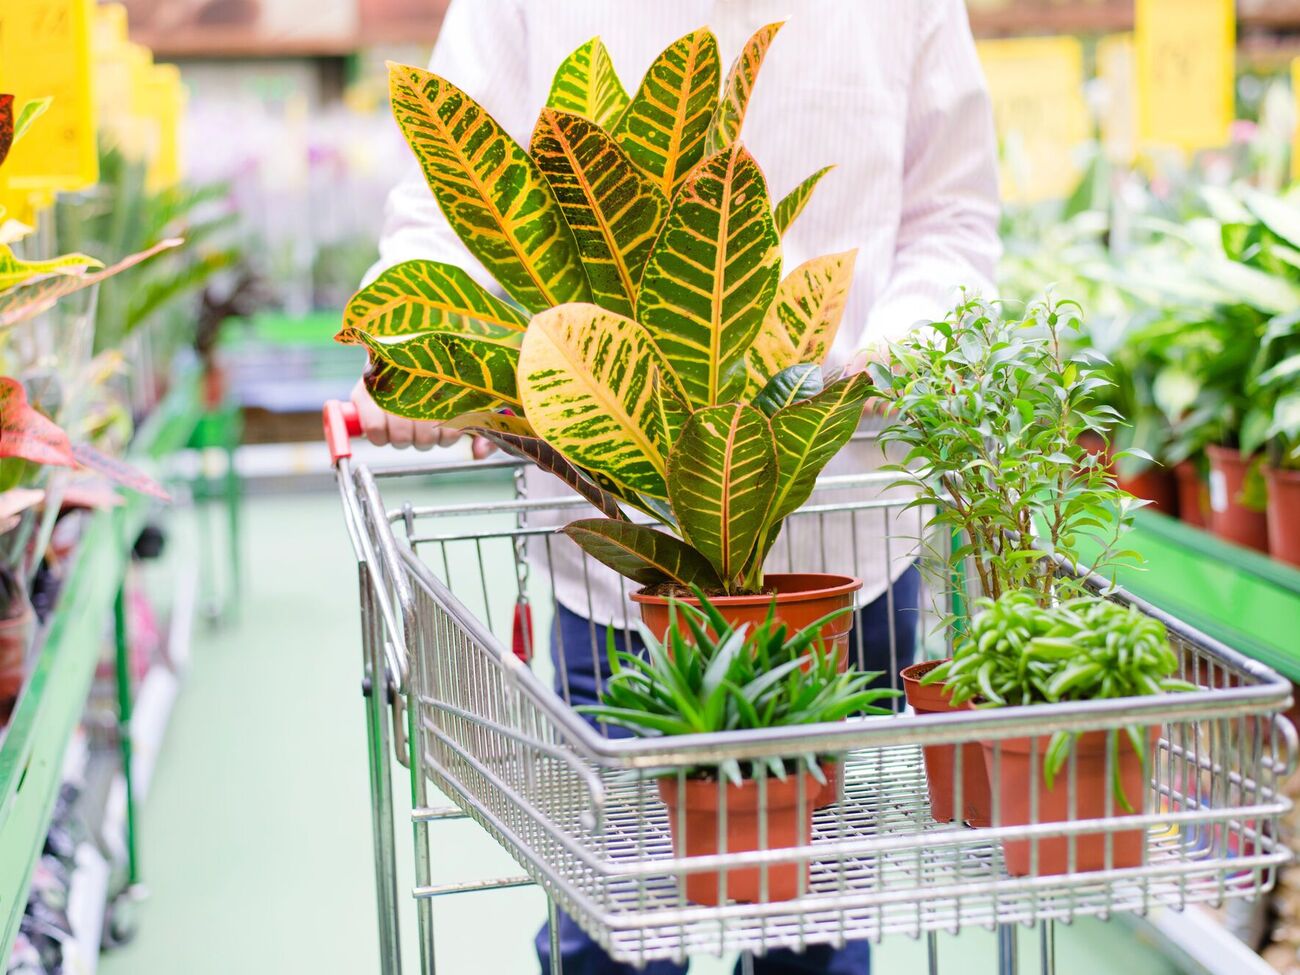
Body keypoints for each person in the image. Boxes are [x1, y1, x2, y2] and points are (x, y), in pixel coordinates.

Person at [352, 2, 1000, 971]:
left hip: (839, 541)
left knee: (813, 929)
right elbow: (449, 205)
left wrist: (898, 348)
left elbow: (951, 211)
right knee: (611, 929)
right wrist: (420, 347)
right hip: (617, 559)